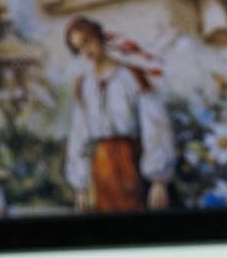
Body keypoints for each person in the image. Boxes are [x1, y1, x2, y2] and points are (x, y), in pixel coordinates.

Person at [62, 17, 174, 212]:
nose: (86, 52)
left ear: (99, 37)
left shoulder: (131, 77)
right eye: (79, 49)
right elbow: (79, 137)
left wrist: (158, 181)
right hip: (101, 169)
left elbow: (155, 127)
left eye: (87, 42)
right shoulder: (84, 85)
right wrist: (81, 188)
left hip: (132, 163)